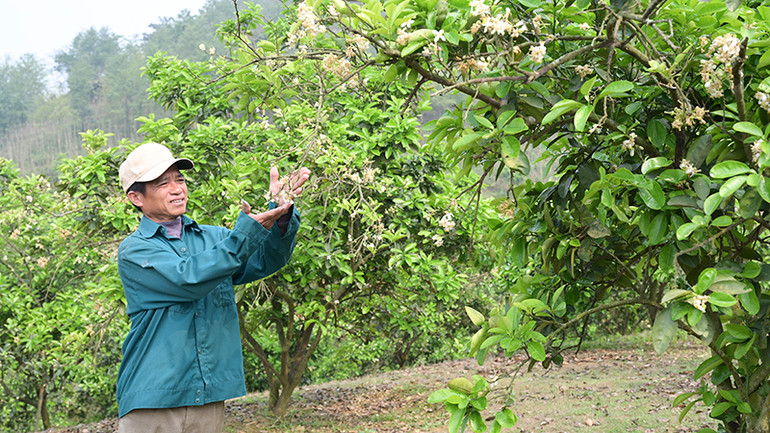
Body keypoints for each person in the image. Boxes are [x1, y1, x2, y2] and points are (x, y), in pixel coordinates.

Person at [115, 142, 310, 433]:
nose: (177, 188)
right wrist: (244, 234)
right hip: (152, 400)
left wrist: (280, 214)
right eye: (162, 183)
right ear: (136, 197)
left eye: (179, 179)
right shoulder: (134, 251)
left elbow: (266, 259)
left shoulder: (214, 238)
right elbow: (189, 278)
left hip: (207, 396)